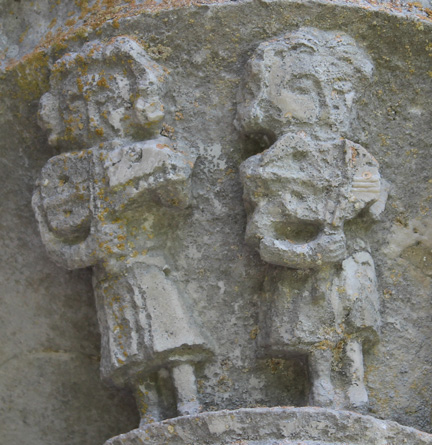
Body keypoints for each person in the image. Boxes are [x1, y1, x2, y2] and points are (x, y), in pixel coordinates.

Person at [33, 37, 211, 424]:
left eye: (106, 101)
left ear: (136, 102)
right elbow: (57, 243)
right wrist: (93, 247)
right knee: (129, 350)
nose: (94, 116)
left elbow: (178, 201)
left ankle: (190, 401)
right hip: (110, 278)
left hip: (149, 266)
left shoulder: (149, 155)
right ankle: (150, 413)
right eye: (77, 107)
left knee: (171, 335)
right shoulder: (62, 174)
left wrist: (161, 183)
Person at [238, 28, 388, 410]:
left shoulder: (357, 156)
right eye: (303, 87)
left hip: (348, 259)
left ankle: (355, 382)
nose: (325, 100)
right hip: (301, 262)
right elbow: (261, 234)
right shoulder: (266, 165)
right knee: (314, 328)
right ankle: (320, 382)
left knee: (351, 326)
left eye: (339, 87)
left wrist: (358, 205)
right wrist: (307, 250)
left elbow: (375, 202)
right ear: (266, 98)